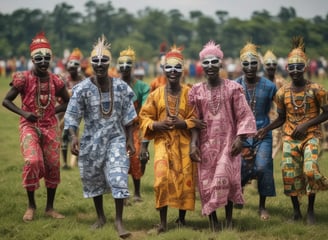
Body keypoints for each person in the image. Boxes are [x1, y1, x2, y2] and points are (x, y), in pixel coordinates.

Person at [64, 35, 136, 238]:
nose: (100, 64)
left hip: (116, 139)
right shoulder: (82, 89)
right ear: (91, 63)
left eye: (104, 60)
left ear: (109, 62)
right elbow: (72, 116)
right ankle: (101, 217)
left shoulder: (121, 88)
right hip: (91, 141)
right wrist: (73, 136)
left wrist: (129, 139)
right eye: (95, 61)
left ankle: (119, 221)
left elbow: (129, 117)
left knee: (119, 176)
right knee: (93, 177)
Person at [256, 36, 328, 225]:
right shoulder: (282, 93)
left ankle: (311, 210)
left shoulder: (317, 90)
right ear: (287, 68)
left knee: (310, 170)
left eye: (299, 67)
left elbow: (326, 113)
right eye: (292, 67)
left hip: (311, 135)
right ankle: (297, 212)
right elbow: (280, 118)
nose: (295, 71)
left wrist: (306, 125)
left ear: (305, 67)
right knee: (289, 174)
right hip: (289, 137)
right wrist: (265, 129)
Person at [188, 40, 256, 231]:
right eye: (206, 62)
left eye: (214, 62)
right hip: (205, 144)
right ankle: (213, 221)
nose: (210, 66)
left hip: (228, 143)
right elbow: (194, 121)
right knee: (207, 183)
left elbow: (244, 114)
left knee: (225, 179)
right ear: (201, 65)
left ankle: (228, 220)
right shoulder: (196, 91)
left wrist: (240, 139)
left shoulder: (233, 88)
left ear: (220, 63)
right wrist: (193, 144)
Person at [2, 32, 69, 222]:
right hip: (29, 126)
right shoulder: (23, 78)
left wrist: (54, 110)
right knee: (32, 162)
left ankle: (50, 207)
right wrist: (25, 114)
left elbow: (68, 101)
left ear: (51, 59)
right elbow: (6, 101)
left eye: (47, 58)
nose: (43, 62)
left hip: (50, 127)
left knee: (53, 165)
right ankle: (31, 205)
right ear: (32, 59)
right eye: (39, 58)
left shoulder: (56, 80)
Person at [139, 46, 198, 233]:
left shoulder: (190, 93)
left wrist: (183, 124)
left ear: (182, 70)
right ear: (164, 69)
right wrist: (156, 125)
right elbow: (144, 117)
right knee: (161, 179)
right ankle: (163, 223)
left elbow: (197, 119)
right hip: (163, 143)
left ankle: (181, 219)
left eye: (177, 67)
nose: (173, 71)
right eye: (169, 67)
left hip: (184, 144)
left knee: (185, 180)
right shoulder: (156, 94)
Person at [235, 42, 277, 220]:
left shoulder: (269, 86)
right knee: (239, 169)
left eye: (253, 63)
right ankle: (238, 193)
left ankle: (262, 207)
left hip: (263, 134)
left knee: (263, 167)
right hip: (241, 135)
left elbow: (282, 112)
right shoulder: (234, 86)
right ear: (241, 65)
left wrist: (267, 128)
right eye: (246, 63)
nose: (250, 67)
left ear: (259, 64)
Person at [117, 46, 150, 202]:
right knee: (119, 160)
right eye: (121, 65)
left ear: (133, 67)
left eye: (127, 65)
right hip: (117, 129)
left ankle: (137, 192)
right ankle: (122, 194)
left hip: (136, 127)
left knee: (136, 157)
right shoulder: (113, 85)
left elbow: (145, 111)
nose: (124, 68)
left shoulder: (142, 87)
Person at [58, 48, 85, 169]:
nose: (72, 69)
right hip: (63, 111)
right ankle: (64, 163)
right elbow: (57, 95)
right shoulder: (62, 79)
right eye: (71, 67)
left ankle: (77, 160)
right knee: (64, 136)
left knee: (74, 135)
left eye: (75, 67)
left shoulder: (83, 80)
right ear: (68, 67)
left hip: (77, 112)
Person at [262, 50, 286, 159]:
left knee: (275, 141)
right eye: (268, 64)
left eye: (273, 64)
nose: (271, 67)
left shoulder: (281, 81)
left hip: (277, 116)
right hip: (262, 116)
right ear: (264, 66)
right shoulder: (259, 81)